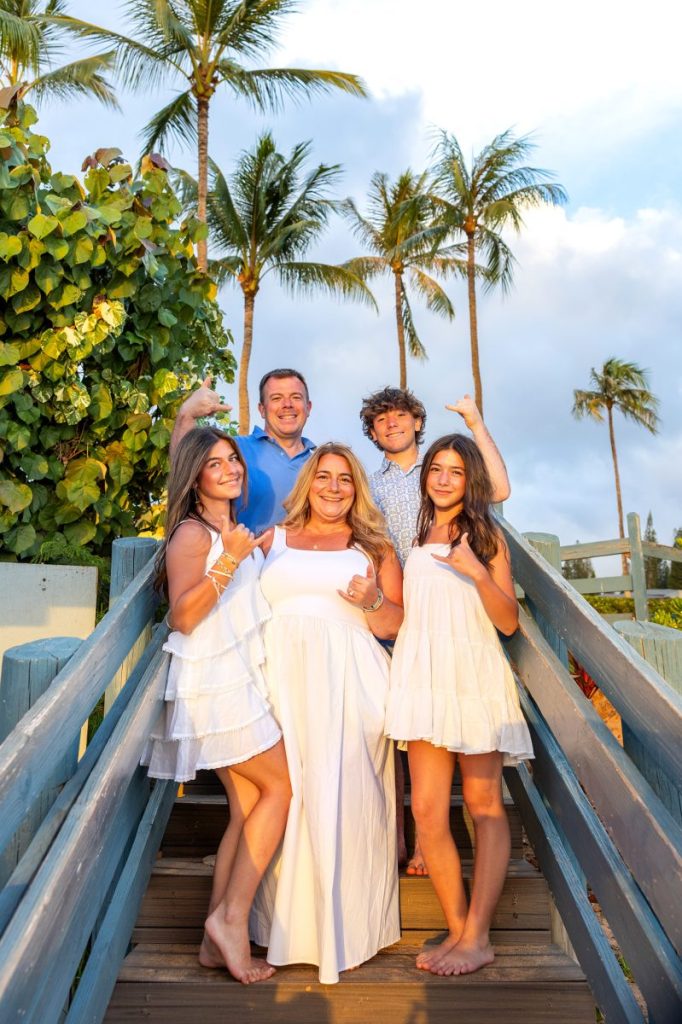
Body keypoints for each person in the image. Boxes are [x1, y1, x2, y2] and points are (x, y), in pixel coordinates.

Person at [249, 443, 404, 984]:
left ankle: (348, 932)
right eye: (323, 477)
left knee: (346, 800)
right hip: (280, 679)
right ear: (307, 485)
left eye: (344, 479)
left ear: (356, 488)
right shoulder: (273, 539)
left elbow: (394, 625)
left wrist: (372, 601)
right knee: (289, 797)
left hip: (350, 682)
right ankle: (282, 930)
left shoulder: (374, 548)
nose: (333, 488)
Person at [141, 427, 292, 985]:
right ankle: (230, 920)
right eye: (214, 463)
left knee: (248, 806)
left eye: (233, 459)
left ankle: (214, 938)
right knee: (280, 789)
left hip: (240, 679)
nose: (230, 468)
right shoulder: (192, 533)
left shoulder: (233, 530)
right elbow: (183, 617)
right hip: (215, 684)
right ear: (195, 476)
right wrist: (228, 559)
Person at [384, 433, 533, 977]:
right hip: (424, 678)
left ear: (470, 480)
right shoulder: (419, 534)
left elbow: (508, 621)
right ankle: (456, 926)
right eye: (436, 469)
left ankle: (478, 935)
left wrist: (476, 572)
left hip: (471, 676)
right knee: (426, 809)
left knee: (483, 803)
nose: (444, 479)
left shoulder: (486, 535)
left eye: (455, 471)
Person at [360, 387, 511, 874]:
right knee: (403, 728)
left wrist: (474, 422)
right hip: (398, 609)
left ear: (418, 422)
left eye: (400, 415)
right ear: (372, 431)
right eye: (380, 419)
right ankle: (403, 836)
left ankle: (430, 844)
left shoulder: (442, 468)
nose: (391, 424)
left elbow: (499, 489)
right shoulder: (370, 484)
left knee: (443, 722)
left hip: (451, 606)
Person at [171, 369, 315, 534]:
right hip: (240, 550)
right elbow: (184, 467)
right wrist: (187, 414)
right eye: (276, 398)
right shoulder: (232, 450)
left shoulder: (321, 462)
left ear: (308, 407)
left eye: (296, 397)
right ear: (262, 409)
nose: (287, 404)